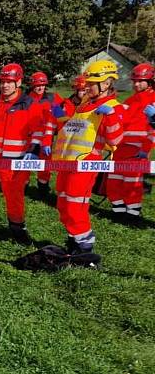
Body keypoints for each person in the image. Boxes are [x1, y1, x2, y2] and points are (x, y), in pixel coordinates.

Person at [52, 60, 123, 253]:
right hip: (68, 163)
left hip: (86, 164)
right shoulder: (85, 104)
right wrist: (60, 117)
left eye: (92, 83)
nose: (87, 86)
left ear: (106, 83)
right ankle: (74, 239)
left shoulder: (112, 107)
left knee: (75, 206)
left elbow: (116, 140)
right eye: (87, 82)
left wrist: (111, 117)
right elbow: (74, 129)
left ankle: (85, 247)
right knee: (63, 203)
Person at [0, 64, 45, 244]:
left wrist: (34, 150)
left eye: (9, 82)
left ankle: (17, 227)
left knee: (14, 195)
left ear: (18, 82)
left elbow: (38, 130)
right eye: (3, 82)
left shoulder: (29, 104)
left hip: (14, 160)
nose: (5, 86)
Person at [105, 63, 155, 223]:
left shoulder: (153, 100)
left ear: (150, 81)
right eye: (134, 81)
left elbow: (153, 130)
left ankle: (132, 216)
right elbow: (121, 118)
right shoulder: (130, 99)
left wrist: (146, 149)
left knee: (131, 184)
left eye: (140, 81)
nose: (136, 84)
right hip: (120, 147)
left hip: (137, 149)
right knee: (113, 181)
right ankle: (118, 212)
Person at [26, 71, 64, 196]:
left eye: (42, 85)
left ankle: (43, 186)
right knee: (25, 162)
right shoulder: (26, 99)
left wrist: (61, 132)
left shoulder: (53, 98)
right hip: (28, 137)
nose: (40, 88)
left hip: (47, 136)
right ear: (32, 85)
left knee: (45, 162)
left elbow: (61, 117)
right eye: (37, 85)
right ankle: (23, 185)